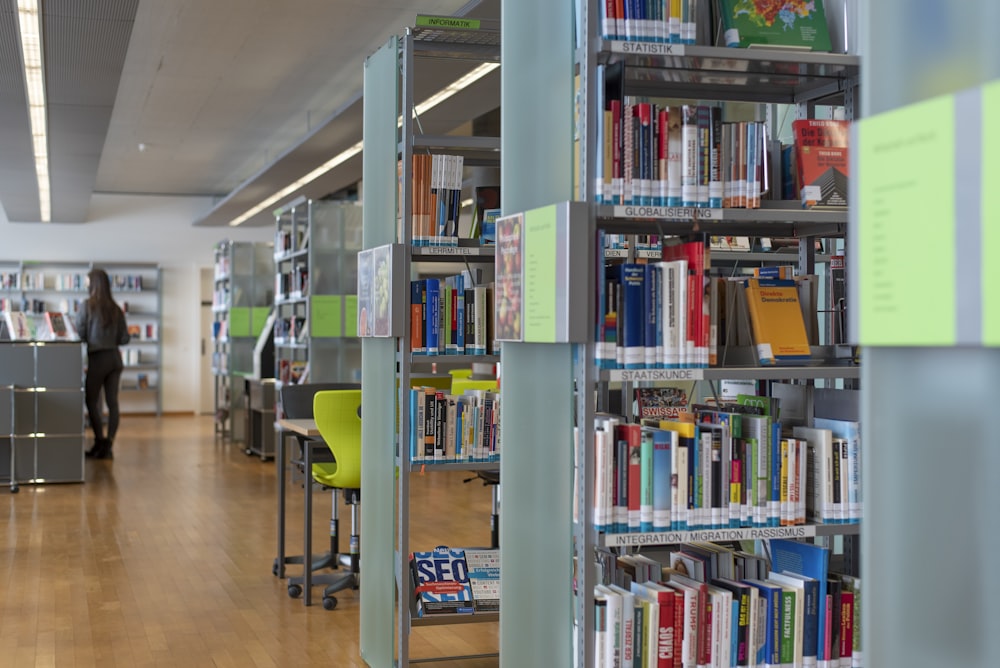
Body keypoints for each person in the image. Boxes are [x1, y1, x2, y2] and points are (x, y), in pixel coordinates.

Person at [75, 268, 130, 459]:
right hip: (115, 359)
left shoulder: (87, 306)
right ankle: (109, 444)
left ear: (93, 284)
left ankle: (99, 441)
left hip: (98, 359)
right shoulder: (116, 308)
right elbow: (125, 339)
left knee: (91, 401)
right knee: (112, 403)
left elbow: (79, 334)